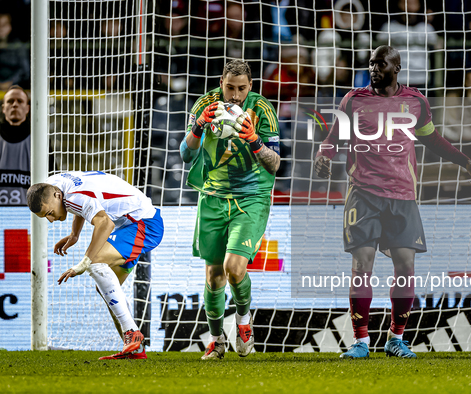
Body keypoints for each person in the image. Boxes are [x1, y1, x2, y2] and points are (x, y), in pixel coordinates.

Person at [314, 46, 471, 359]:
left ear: (397, 67)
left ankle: (395, 338)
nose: (374, 69)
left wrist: (464, 161)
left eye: (381, 64)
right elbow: (333, 138)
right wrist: (323, 155)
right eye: (371, 64)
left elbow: (432, 139)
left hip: (403, 195)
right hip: (362, 194)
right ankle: (361, 342)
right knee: (362, 265)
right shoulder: (353, 100)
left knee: (405, 266)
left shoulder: (416, 101)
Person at [180, 59, 280, 360]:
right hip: (212, 196)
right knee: (213, 276)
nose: (235, 96)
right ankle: (216, 339)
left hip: (251, 197)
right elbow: (185, 154)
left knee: (235, 269)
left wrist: (254, 140)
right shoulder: (205, 105)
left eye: (241, 89)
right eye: (229, 87)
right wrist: (199, 126)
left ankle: (244, 323)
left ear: (250, 87)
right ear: (221, 82)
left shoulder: (261, 109)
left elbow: (276, 164)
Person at [27, 171, 164, 360]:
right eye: (46, 217)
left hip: (143, 224)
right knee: (107, 288)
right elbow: (82, 206)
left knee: (95, 262)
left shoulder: (73, 195)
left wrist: (84, 262)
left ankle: (132, 333)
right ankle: (134, 348)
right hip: (127, 224)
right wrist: (74, 234)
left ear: (57, 195)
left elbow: (104, 223)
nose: (51, 219)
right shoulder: (53, 185)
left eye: (50, 213)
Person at [0, 86, 30, 206]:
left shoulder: (39, 141)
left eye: (20, 101)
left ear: (27, 108)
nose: (15, 104)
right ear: (3, 108)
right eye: (10, 101)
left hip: (28, 216)